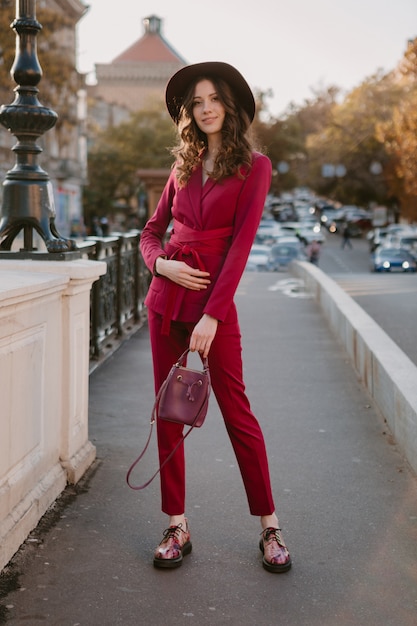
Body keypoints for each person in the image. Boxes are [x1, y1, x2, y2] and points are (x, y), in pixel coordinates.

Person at [139, 62, 291, 573]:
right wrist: (162, 265)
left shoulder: (256, 166)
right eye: (197, 102)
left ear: (230, 105)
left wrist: (213, 317)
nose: (205, 108)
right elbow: (151, 231)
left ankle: (270, 527)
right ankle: (176, 524)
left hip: (211, 310)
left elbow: (240, 249)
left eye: (213, 99)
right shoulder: (183, 166)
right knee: (168, 413)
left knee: (238, 413)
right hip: (165, 301)